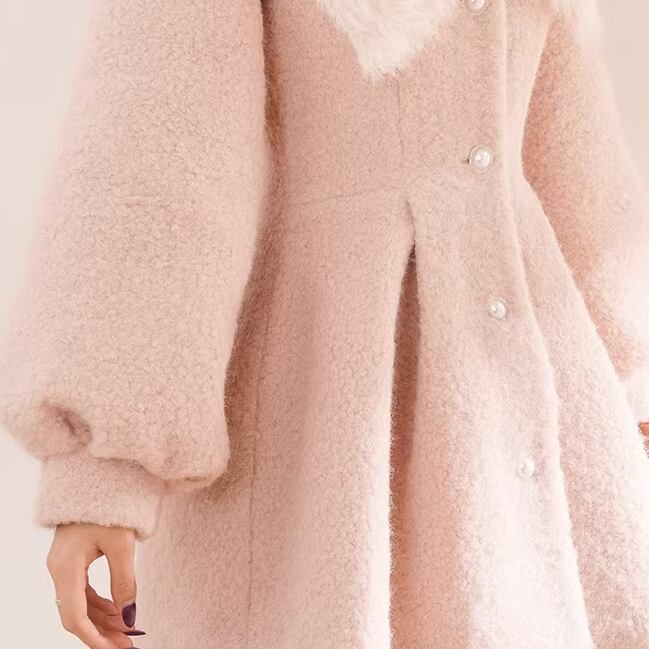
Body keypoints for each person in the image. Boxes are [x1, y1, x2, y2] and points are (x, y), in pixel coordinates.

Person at [2, 0, 649, 647]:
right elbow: (160, 163)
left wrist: (631, 384)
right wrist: (103, 469)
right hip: (323, 410)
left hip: (543, 406)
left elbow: (576, 167)